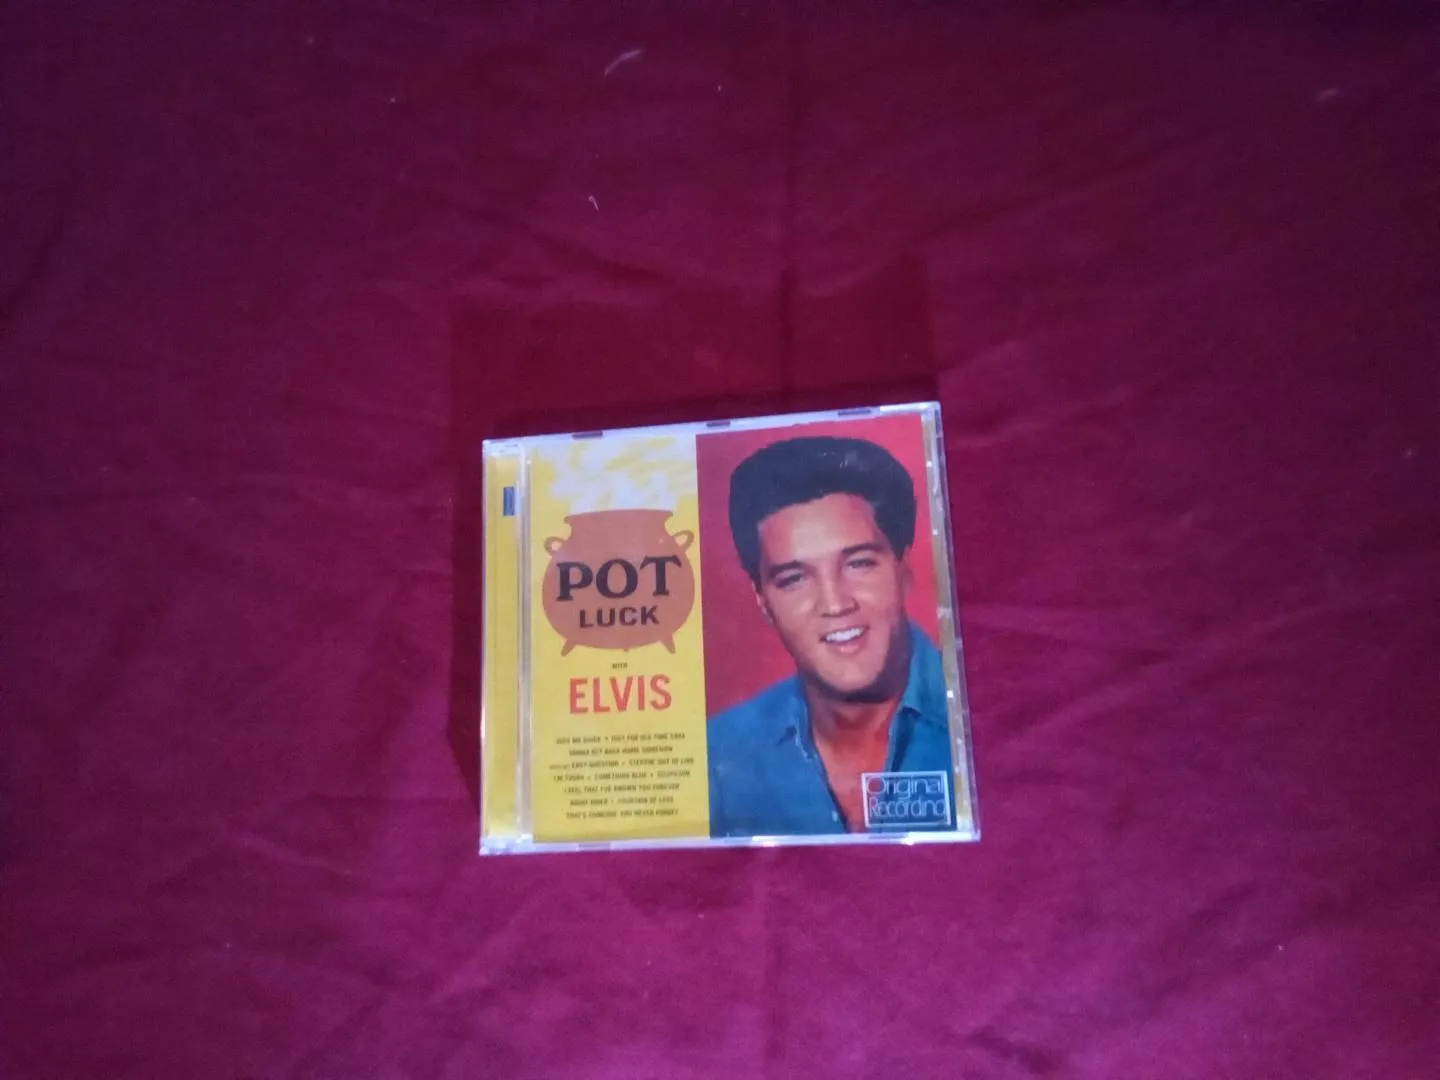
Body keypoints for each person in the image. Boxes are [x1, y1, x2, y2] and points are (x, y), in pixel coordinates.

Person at [707, 434, 956, 838]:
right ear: (763, 601)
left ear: (903, 569)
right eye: (793, 579)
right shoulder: (718, 753)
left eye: (859, 563)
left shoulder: (976, 714)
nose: (835, 604)